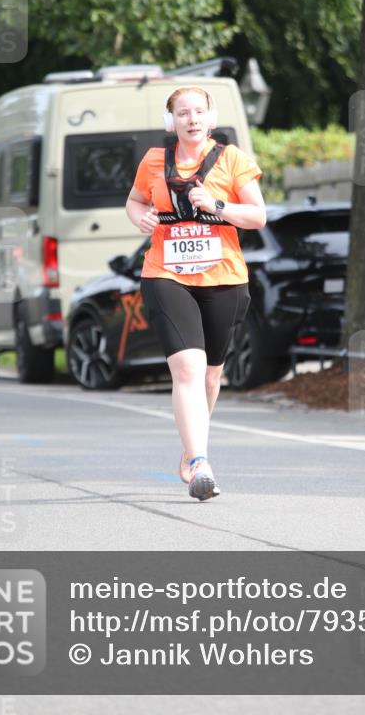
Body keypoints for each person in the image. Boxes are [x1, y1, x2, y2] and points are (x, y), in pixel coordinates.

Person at [125, 86, 266, 501]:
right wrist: (141, 219)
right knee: (186, 367)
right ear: (172, 121)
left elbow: (257, 216)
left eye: (198, 112)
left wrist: (217, 205)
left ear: (210, 117)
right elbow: (133, 201)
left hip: (223, 277)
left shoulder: (234, 159)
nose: (191, 119)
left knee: (209, 375)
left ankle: (190, 449)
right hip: (166, 274)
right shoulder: (154, 161)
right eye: (183, 113)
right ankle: (202, 463)